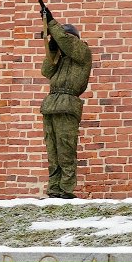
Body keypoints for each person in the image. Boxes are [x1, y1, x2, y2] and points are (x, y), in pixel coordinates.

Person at [39, 12, 92, 198]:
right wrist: (52, 49)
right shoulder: (60, 60)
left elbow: (67, 42)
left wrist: (51, 23)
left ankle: (66, 189)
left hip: (67, 103)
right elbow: (46, 71)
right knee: (52, 151)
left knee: (66, 149)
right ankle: (54, 188)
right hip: (51, 104)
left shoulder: (83, 53)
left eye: (65, 38)